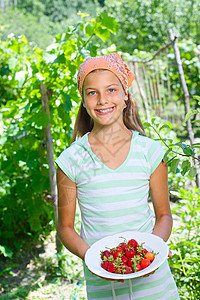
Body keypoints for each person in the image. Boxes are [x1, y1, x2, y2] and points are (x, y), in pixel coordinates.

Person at [55, 53, 180, 299]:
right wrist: (91, 257)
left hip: (154, 284)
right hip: (103, 287)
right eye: (92, 92)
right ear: (83, 100)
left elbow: (164, 215)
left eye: (111, 89)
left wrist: (151, 252)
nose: (102, 100)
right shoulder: (70, 160)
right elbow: (66, 228)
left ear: (125, 96)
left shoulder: (150, 152)